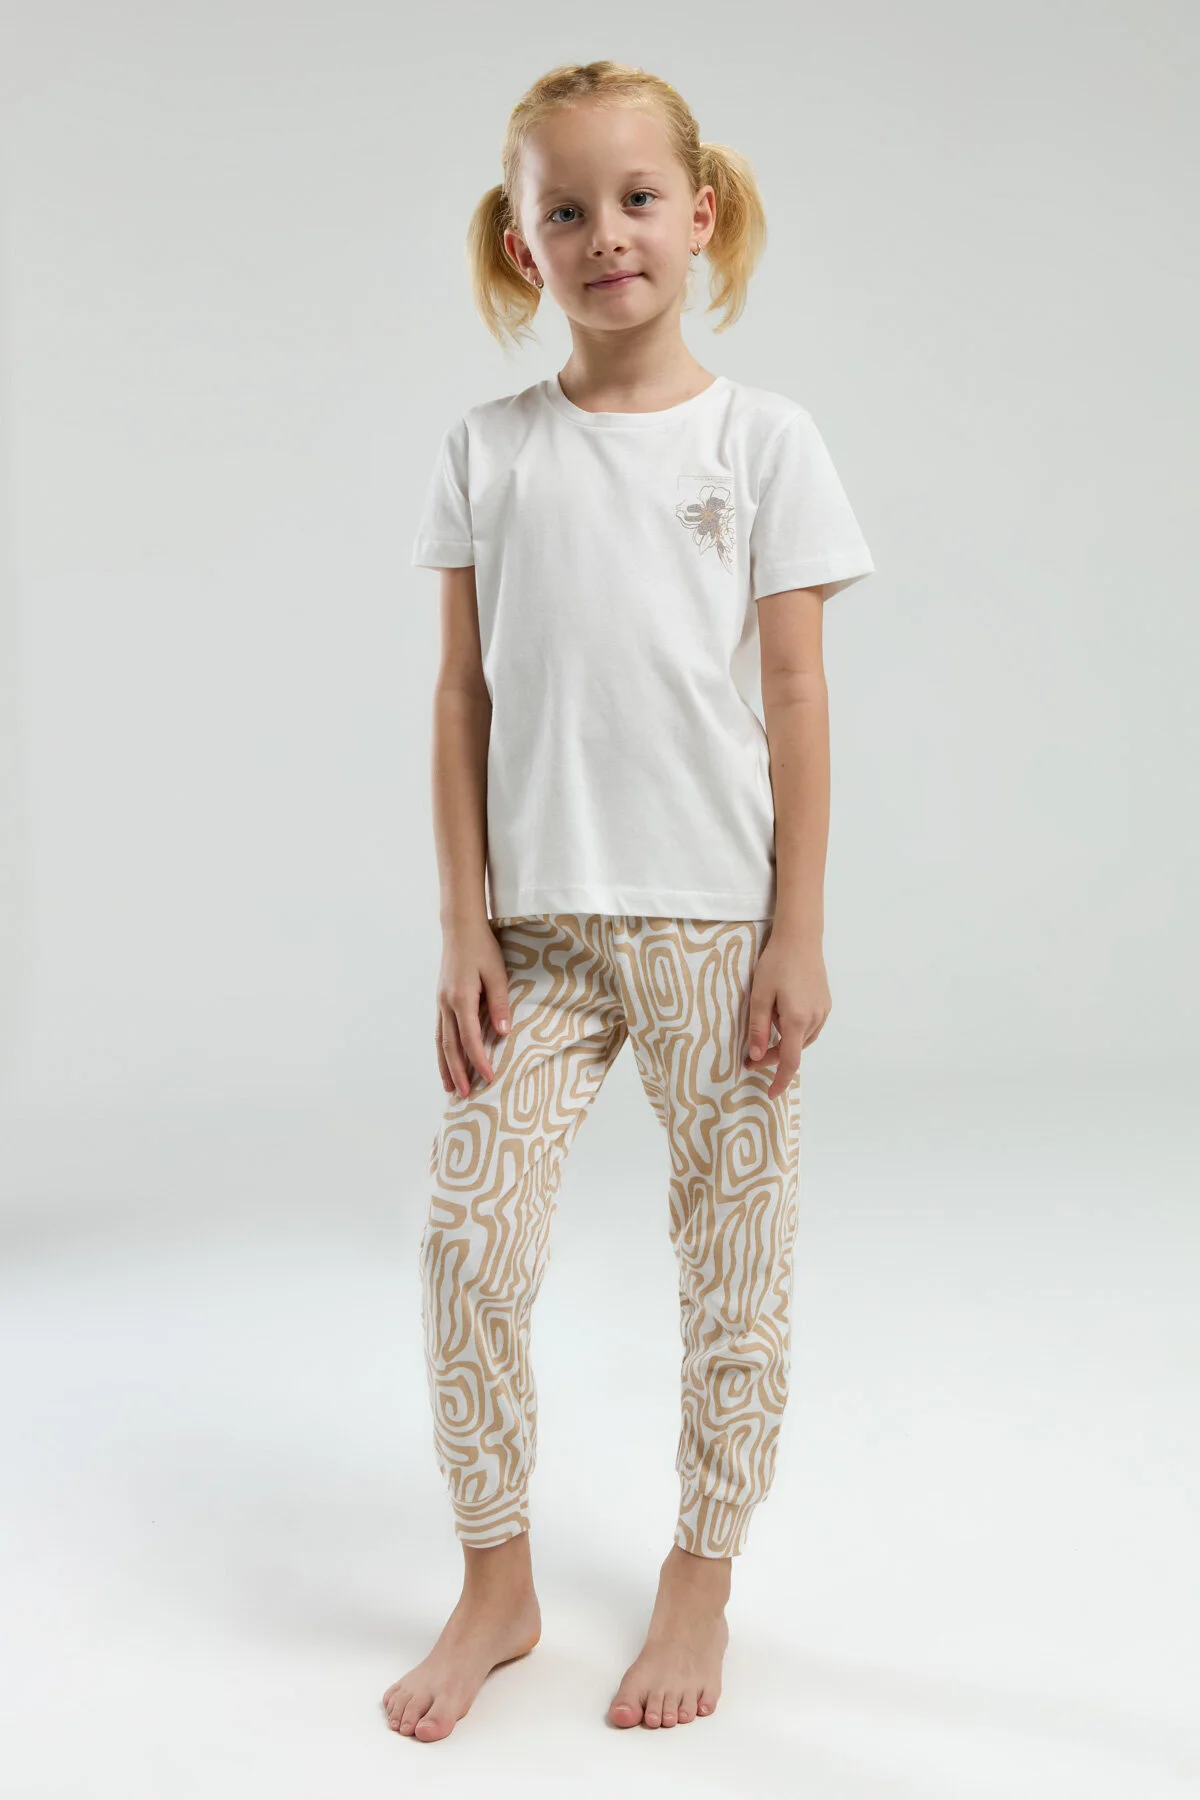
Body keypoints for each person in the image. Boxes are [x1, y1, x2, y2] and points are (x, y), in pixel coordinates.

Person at [383, 59, 875, 1744]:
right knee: (467, 1247)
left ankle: (700, 1574)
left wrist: (796, 930)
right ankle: (496, 1580)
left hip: (712, 926)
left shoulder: (764, 443)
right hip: (536, 935)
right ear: (520, 242)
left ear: (701, 213)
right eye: (567, 209)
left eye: (638, 199)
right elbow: (461, 699)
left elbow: (797, 696)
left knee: (734, 1258)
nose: (608, 234)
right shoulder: (489, 450)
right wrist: (464, 925)